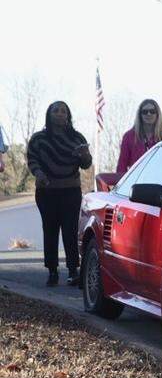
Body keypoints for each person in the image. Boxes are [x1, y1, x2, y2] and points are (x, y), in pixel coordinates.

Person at [26, 101, 92, 287]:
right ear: (49, 114)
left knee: (70, 230)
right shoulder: (39, 139)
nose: (60, 114)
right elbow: (32, 159)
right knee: (50, 229)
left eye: (64, 111)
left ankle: (73, 270)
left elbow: (86, 164)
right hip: (47, 191)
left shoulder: (77, 137)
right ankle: (52, 270)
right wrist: (39, 173)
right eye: (56, 111)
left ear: (68, 115)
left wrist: (85, 155)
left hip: (70, 190)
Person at [116, 99, 162, 174]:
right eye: (145, 112)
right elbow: (121, 167)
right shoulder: (129, 137)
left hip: (161, 182)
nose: (149, 114)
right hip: (136, 182)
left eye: (152, 111)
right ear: (140, 115)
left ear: (157, 114)